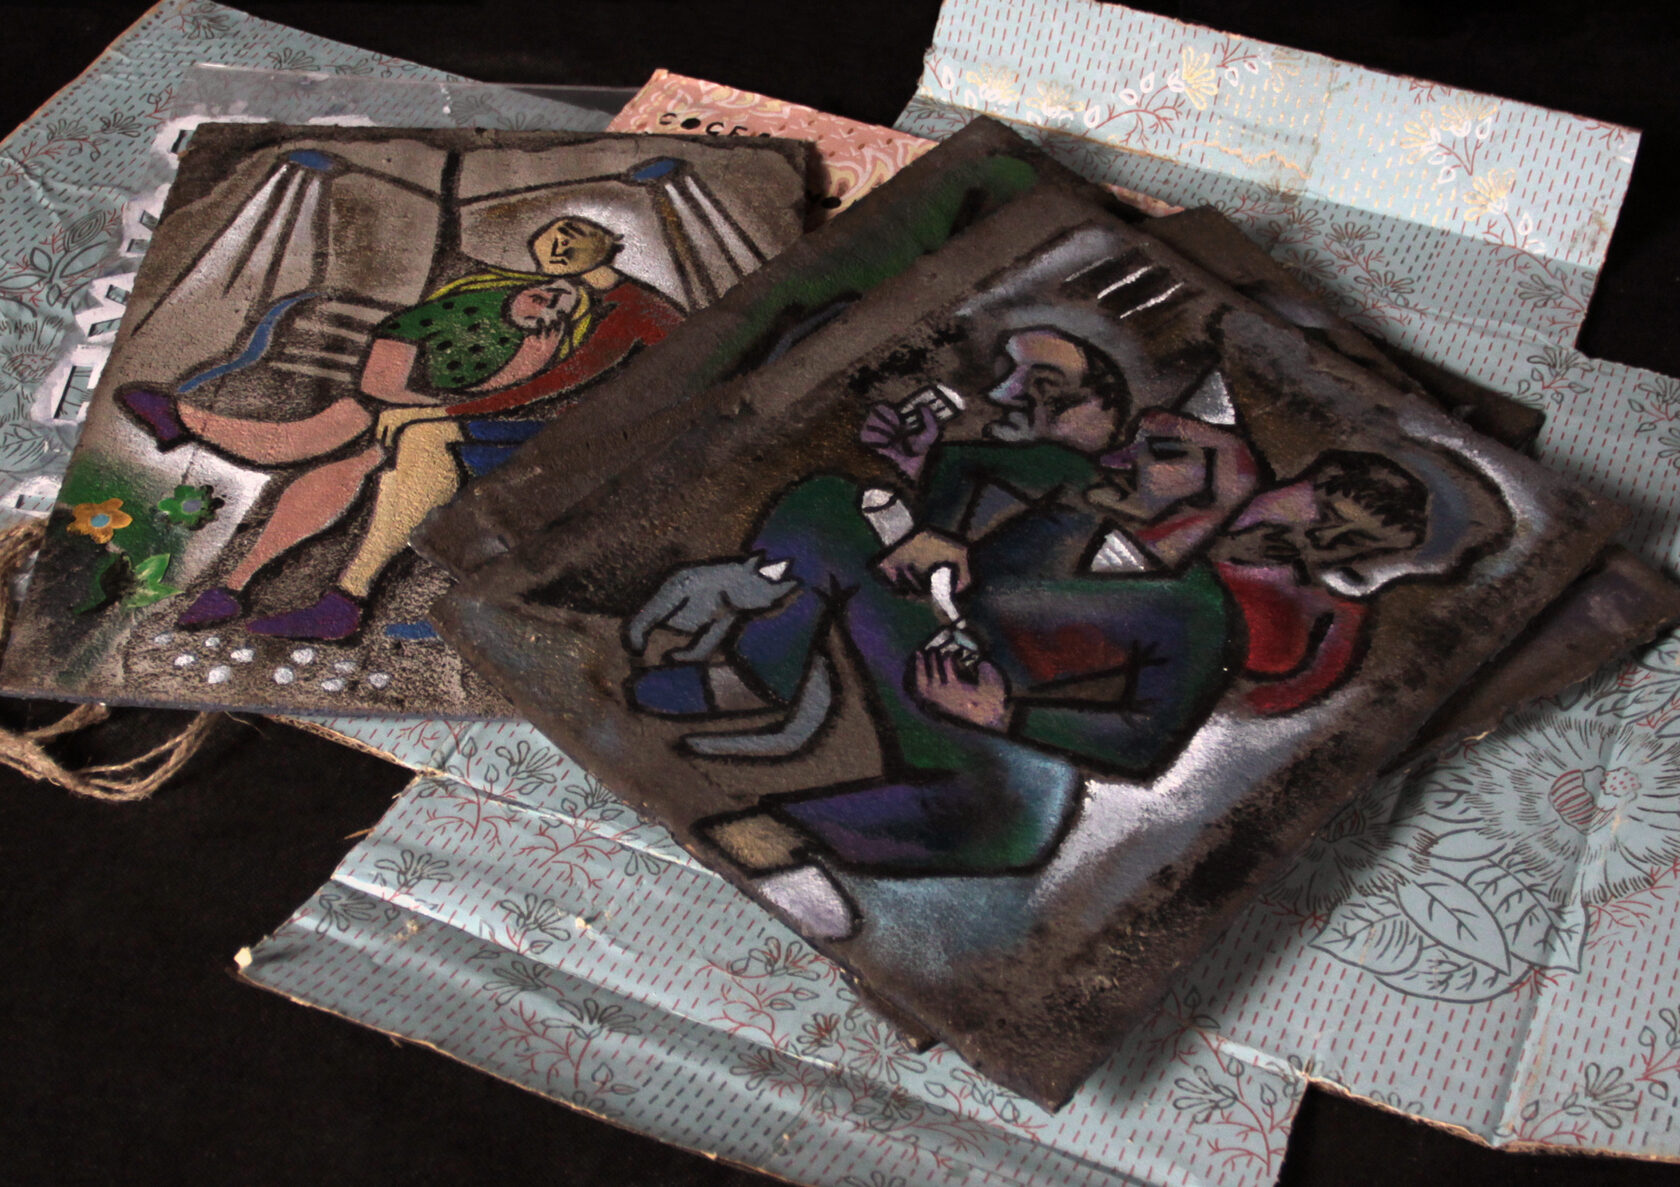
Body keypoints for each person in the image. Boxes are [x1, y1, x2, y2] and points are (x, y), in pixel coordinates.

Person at [627, 348, 1261, 937]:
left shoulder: (1197, 614)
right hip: (915, 619)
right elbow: (967, 463)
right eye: (1136, 443)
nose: (1123, 458)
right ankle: (758, 672)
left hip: (983, 708)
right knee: (830, 503)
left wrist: (1004, 714)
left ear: (1216, 493)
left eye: (1162, 454)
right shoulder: (1073, 480)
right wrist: (941, 527)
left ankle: (777, 839)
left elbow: (1146, 740)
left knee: (1014, 820)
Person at [128, 214, 679, 638]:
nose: (551, 276)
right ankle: (247, 583)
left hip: (591, 435)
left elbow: (555, 388)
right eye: (548, 263)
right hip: (528, 416)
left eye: (562, 263)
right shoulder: (560, 303)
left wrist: (443, 411)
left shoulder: (625, 310)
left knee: (411, 433)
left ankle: (341, 594)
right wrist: (440, 402)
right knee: (362, 436)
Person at [1210, 450, 1429, 714]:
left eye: (1355, 539)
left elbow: (1310, 682)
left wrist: (1228, 708)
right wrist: (1228, 546)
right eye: (1327, 515)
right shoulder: (1230, 516)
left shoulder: (1341, 603)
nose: (1323, 538)